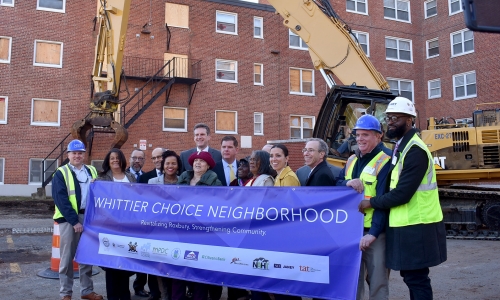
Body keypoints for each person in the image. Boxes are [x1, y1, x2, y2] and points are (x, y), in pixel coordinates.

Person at [358, 97, 447, 300]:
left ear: (409, 120)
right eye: (388, 118)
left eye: (395, 118)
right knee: (411, 277)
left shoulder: (415, 150)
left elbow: (403, 193)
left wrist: (370, 202)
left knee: (417, 279)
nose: (390, 122)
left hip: (419, 224)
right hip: (408, 224)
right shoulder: (402, 147)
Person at [336, 115, 391, 300]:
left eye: (365, 135)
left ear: (379, 136)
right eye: (358, 135)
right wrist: (347, 182)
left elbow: (384, 201)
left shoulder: (386, 160)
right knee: (352, 281)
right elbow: (336, 184)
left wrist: (373, 233)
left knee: (378, 283)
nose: (360, 139)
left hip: (375, 233)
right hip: (352, 231)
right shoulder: (352, 160)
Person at [52, 139, 103, 300]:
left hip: (89, 218)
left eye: (80, 153)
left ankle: (86, 291)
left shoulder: (92, 171)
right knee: (67, 257)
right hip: (69, 220)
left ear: (84, 155)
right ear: (68, 155)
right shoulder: (61, 172)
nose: (77, 156)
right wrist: (75, 221)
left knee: (86, 256)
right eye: (74, 153)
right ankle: (65, 293)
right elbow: (60, 199)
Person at [173, 151, 222, 300]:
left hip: (202, 233)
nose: (198, 163)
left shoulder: (216, 182)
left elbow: (217, 207)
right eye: (195, 160)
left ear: (208, 166)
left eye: (202, 161)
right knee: (178, 269)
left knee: (199, 271)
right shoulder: (183, 179)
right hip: (181, 230)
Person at [211, 136, 249, 300]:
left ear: (236, 149)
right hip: (218, 223)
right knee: (217, 262)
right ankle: (214, 295)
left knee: (236, 261)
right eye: (223, 147)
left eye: (229, 147)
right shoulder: (213, 168)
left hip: (239, 224)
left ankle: (236, 295)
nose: (226, 150)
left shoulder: (245, 168)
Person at [96, 148, 136, 300]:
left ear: (122, 160)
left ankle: (125, 295)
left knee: (124, 261)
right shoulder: (101, 179)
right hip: (109, 226)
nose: (115, 160)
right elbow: (98, 202)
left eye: (117, 158)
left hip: (128, 226)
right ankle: (113, 296)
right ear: (108, 160)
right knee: (111, 263)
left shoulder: (130, 177)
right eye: (112, 158)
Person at [147, 150, 181, 300]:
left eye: (173, 163)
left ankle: (176, 295)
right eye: (167, 163)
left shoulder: (184, 182)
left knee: (176, 266)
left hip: (179, 232)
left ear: (178, 165)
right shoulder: (152, 182)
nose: (170, 166)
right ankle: (165, 296)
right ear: (163, 165)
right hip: (159, 231)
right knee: (160, 266)